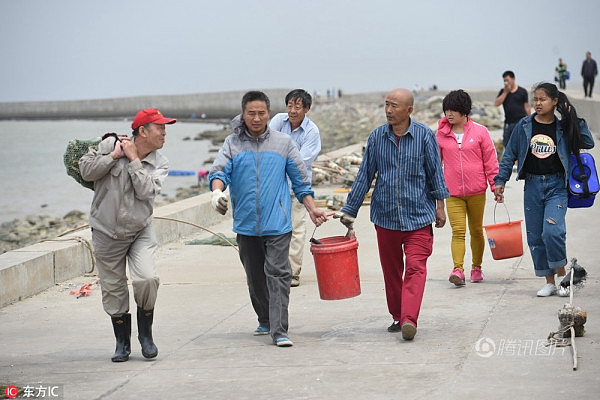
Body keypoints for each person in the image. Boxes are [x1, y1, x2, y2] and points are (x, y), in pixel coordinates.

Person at [209, 91, 328, 347]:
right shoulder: (233, 143)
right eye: (251, 113)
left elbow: (301, 182)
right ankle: (264, 318)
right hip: (246, 223)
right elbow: (219, 171)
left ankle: (279, 329)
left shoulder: (284, 143)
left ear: (269, 114)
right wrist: (217, 191)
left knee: (278, 274)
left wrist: (312, 208)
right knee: (255, 277)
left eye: (261, 113)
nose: (256, 118)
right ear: (243, 114)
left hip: (278, 222)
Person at [334, 88, 449, 341]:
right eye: (387, 105)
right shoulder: (376, 138)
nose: (388, 110)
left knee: (416, 268)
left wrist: (440, 206)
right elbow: (365, 175)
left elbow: (435, 173)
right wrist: (349, 210)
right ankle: (398, 316)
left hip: (418, 215)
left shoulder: (425, 136)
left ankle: (409, 319)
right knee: (392, 270)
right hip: (385, 216)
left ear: (409, 110)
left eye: (394, 106)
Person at [79, 108, 176, 362]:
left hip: (139, 231)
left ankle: (146, 335)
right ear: (142, 131)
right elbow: (86, 171)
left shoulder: (160, 162)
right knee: (113, 289)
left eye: (165, 128)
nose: (165, 133)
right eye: (160, 128)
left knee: (147, 279)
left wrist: (133, 160)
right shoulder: (110, 144)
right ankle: (122, 342)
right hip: (105, 231)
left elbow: (146, 192)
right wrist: (113, 156)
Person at [493, 83, 594, 297]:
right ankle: (550, 281)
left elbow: (588, 141)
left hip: (557, 186)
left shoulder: (563, 128)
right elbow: (509, 154)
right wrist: (500, 180)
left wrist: (572, 118)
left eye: (543, 99)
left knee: (553, 232)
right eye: (535, 99)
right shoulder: (524, 126)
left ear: (555, 101)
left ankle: (563, 275)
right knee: (536, 236)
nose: (538, 103)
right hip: (532, 185)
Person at [436, 90, 499, 287]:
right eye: (446, 110)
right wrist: (436, 192)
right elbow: (435, 165)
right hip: (452, 193)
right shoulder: (440, 135)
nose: (449, 114)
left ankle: (477, 267)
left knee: (476, 231)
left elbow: (490, 161)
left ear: (464, 111)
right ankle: (458, 270)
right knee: (458, 232)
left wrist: (495, 186)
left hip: (477, 192)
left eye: (453, 109)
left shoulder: (480, 132)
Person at [269, 89, 321, 287]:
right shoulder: (277, 121)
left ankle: (292, 272)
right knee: (273, 230)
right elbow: (266, 144)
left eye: (297, 107)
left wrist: (277, 158)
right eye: (289, 106)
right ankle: (273, 269)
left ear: (306, 109)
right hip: (273, 186)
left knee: (296, 229)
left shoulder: (312, 132)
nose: (292, 110)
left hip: (297, 187)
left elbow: (300, 162)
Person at [494, 70, 531, 148]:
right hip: (508, 123)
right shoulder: (503, 91)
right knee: (507, 144)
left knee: (520, 144)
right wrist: (505, 92)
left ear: (513, 79)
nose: (506, 83)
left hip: (520, 121)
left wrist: (530, 120)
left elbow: (527, 106)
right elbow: (496, 103)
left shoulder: (522, 91)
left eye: (507, 80)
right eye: (504, 81)